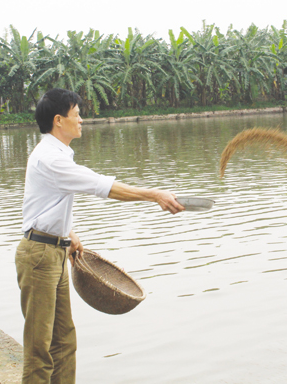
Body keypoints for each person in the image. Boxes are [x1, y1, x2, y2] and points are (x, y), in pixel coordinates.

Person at [15, 88, 184, 383]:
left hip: (54, 249)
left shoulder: (55, 154)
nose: (82, 120)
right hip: (39, 257)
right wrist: (154, 195)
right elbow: (102, 186)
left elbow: (43, 202)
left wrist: (67, 233)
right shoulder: (51, 159)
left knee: (64, 340)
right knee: (39, 348)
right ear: (59, 120)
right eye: (77, 114)